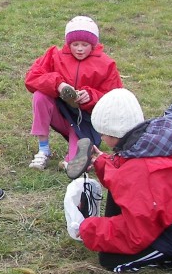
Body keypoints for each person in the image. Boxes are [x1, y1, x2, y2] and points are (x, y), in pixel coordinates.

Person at [73, 88, 172, 273]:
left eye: (104, 134)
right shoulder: (154, 139)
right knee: (119, 205)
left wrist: (90, 229)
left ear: (115, 134)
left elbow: (136, 235)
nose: (101, 137)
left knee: (111, 260)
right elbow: (128, 171)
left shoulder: (140, 171)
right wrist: (103, 163)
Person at [24, 15, 123, 171]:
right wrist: (58, 84)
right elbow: (32, 78)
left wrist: (91, 96)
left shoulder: (106, 64)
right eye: (75, 44)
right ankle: (43, 150)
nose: (79, 49)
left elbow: (116, 98)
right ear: (68, 42)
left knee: (75, 164)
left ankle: (82, 154)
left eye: (85, 44)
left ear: (93, 44)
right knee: (40, 96)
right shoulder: (54, 56)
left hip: (85, 121)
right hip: (61, 114)